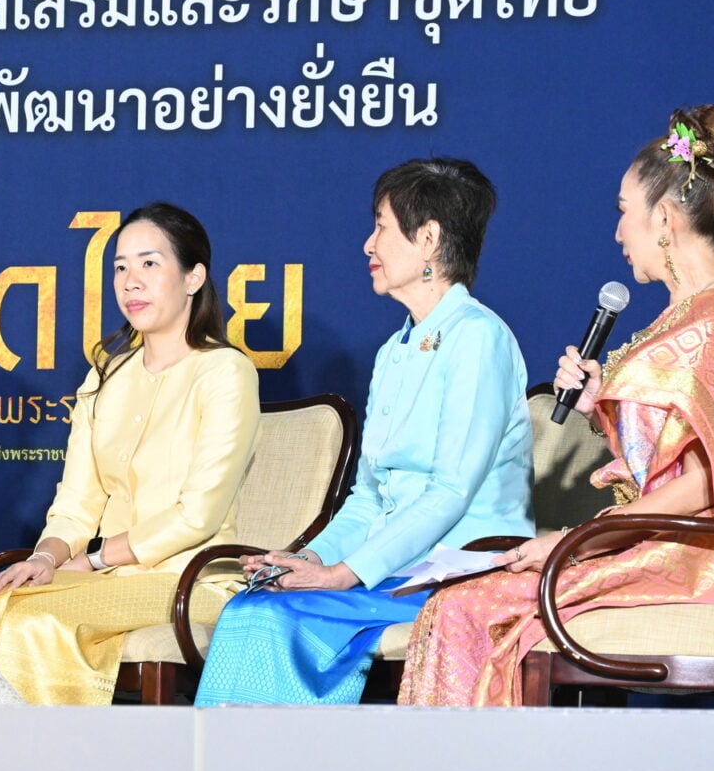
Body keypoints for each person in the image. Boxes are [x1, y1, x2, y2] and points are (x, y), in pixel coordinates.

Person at [403, 107, 714, 706]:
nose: (619, 233)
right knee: (463, 600)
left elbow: (708, 482)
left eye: (625, 211)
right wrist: (600, 405)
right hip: (659, 542)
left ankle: (478, 764)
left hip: (695, 555)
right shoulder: (694, 318)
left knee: (467, 609)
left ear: (664, 218)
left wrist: (580, 538)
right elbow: (675, 453)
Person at [195, 158, 532, 705]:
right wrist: (312, 560)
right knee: (256, 605)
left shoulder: (478, 338)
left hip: (459, 574)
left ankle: (287, 757)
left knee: (277, 618)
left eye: (381, 227)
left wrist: (346, 574)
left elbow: (451, 490)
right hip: (391, 570)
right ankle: (241, 759)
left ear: (428, 239)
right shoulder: (393, 350)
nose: (367, 245)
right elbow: (369, 498)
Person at [0, 204, 261, 705]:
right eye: (120, 267)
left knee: (35, 618)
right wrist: (45, 558)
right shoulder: (106, 376)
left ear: (193, 277)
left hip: (190, 581)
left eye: (149, 264)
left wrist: (94, 559)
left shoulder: (225, 372)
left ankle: (57, 747)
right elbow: (77, 502)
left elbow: (198, 515)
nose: (130, 282)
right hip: (109, 577)